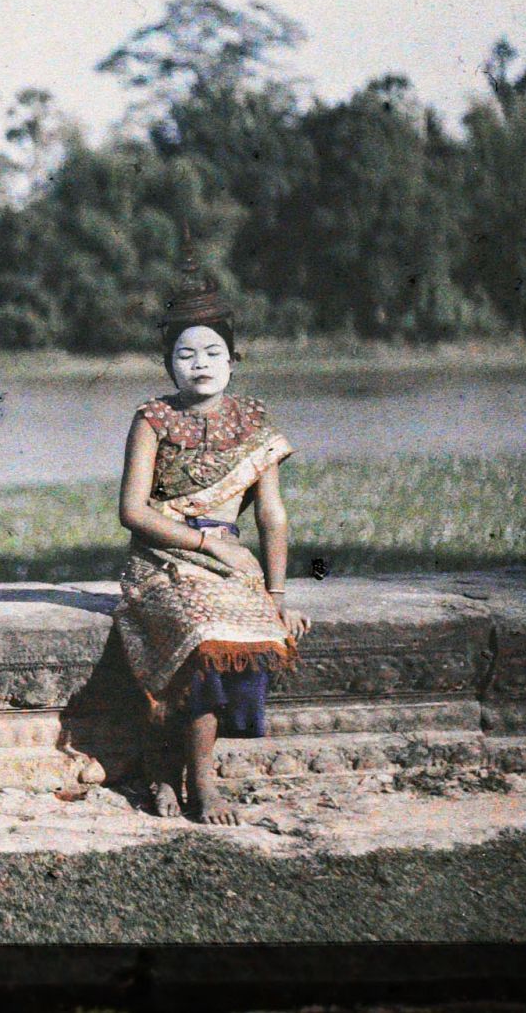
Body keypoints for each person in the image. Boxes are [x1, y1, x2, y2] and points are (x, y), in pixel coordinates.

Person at [111, 236, 311, 825]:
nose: (200, 364)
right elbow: (133, 511)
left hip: (230, 564)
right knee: (202, 633)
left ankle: (182, 772)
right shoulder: (153, 419)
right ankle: (186, 778)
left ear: (232, 359)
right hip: (163, 558)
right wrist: (205, 544)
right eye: (186, 354)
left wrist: (276, 594)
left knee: (248, 635)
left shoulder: (254, 420)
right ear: (168, 364)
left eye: (212, 352)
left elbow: (271, 513)